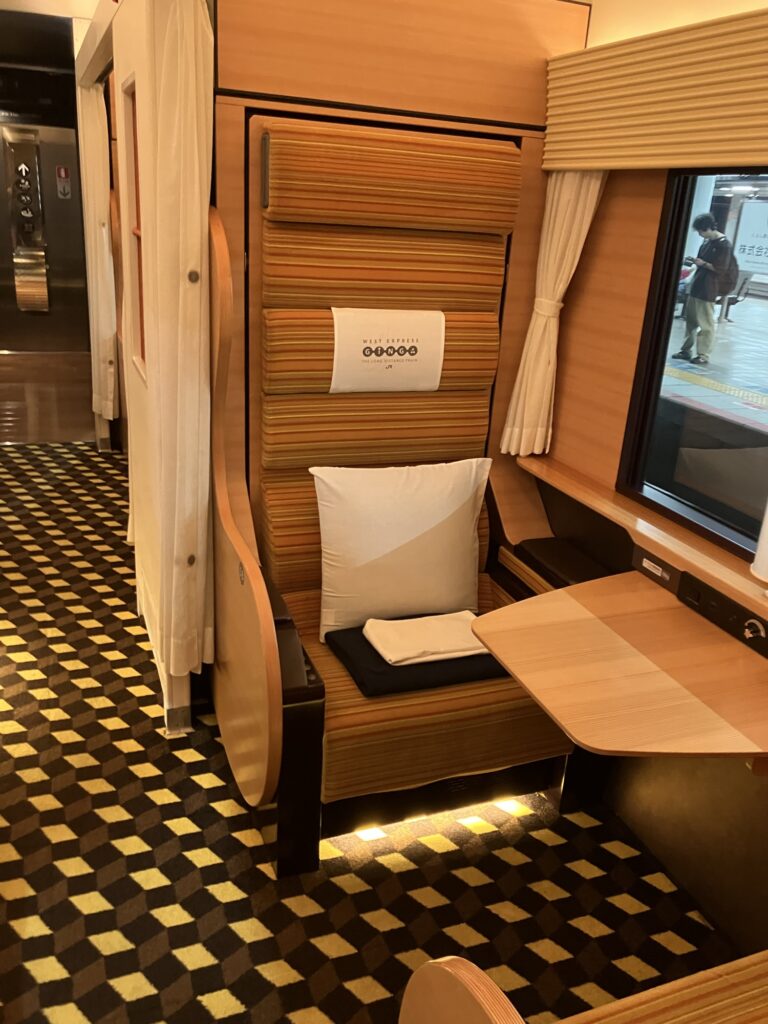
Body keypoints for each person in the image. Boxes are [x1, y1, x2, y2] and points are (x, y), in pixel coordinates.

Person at [672, 211, 733, 366]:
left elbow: (721, 269)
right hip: (697, 286)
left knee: (706, 324)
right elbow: (702, 263)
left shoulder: (723, 245)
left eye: (700, 231)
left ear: (707, 228)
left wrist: (703, 263)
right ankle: (686, 350)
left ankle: (703, 355)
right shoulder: (707, 242)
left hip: (709, 289)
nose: (699, 234)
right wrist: (695, 262)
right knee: (691, 322)